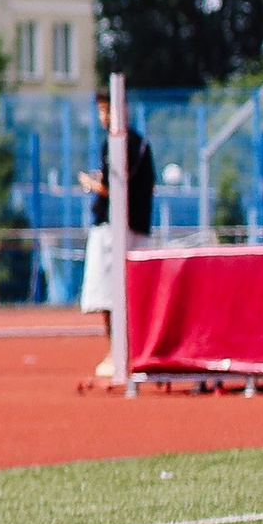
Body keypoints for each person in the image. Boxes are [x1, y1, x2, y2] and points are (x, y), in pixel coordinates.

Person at [76, 90, 154, 382]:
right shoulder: (135, 143)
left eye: (107, 110)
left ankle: (117, 353)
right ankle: (125, 352)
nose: (103, 117)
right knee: (121, 293)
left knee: (110, 293)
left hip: (115, 229)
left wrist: (91, 184)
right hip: (132, 226)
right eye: (100, 111)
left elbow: (113, 188)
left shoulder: (121, 142)